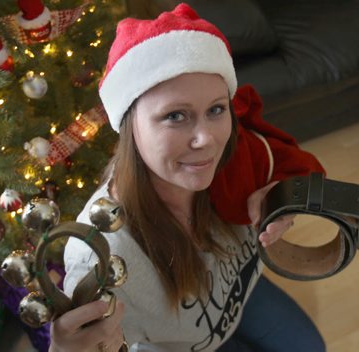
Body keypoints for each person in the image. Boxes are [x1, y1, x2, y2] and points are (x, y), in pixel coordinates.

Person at [50, 3, 326, 352]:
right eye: (176, 116)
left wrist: (283, 201)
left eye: (216, 109)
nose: (207, 139)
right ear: (129, 126)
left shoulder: (239, 155)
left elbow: (306, 175)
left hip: (238, 294)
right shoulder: (102, 253)